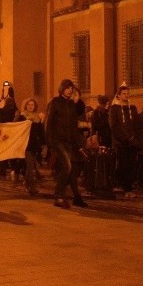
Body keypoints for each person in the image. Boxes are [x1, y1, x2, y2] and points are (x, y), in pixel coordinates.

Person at [45, 79, 88, 208]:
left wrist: (78, 143)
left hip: (69, 141)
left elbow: (74, 126)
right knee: (67, 166)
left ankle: (73, 196)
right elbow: (48, 124)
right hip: (58, 141)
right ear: (62, 88)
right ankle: (58, 196)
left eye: (71, 88)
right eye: (68, 88)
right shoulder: (55, 103)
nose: (70, 90)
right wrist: (50, 143)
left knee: (69, 169)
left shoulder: (71, 105)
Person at [108, 85, 140, 199]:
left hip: (132, 142)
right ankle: (126, 188)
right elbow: (114, 126)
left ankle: (127, 186)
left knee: (132, 165)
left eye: (127, 93)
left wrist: (135, 139)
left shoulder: (133, 108)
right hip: (121, 142)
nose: (126, 95)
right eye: (124, 94)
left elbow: (136, 125)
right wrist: (123, 139)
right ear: (119, 95)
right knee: (123, 165)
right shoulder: (114, 109)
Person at [18, 98, 45, 195]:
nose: (30, 106)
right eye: (29, 104)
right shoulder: (22, 116)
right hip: (25, 144)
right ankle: (31, 186)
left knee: (32, 165)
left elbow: (40, 132)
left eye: (32, 105)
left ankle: (26, 182)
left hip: (34, 144)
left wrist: (43, 143)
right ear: (25, 105)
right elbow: (16, 128)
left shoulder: (37, 118)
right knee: (29, 165)